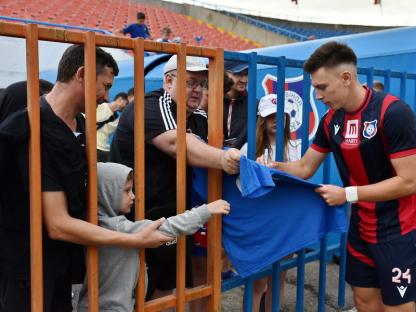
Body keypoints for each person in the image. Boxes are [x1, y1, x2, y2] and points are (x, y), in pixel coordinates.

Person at [0, 44, 172, 312]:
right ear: (81, 74)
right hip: (27, 265)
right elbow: (57, 223)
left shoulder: (80, 123)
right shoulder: (30, 127)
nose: (106, 96)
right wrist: (134, 240)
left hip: (63, 263)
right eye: (104, 86)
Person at [260, 41, 416, 312]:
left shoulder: (393, 113)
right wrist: (271, 167)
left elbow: (409, 182)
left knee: (396, 306)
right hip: (362, 225)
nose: (318, 95)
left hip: (400, 228)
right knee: (363, 301)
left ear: (346, 78)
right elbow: (304, 168)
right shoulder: (330, 120)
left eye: (322, 87)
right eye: (315, 87)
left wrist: (347, 194)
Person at [111, 54, 240, 302]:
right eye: (191, 82)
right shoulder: (152, 104)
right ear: (169, 81)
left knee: (166, 287)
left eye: (202, 85)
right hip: (136, 215)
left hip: (173, 213)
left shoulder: (199, 117)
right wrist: (223, 159)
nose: (198, 90)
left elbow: (213, 148)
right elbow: (178, 143)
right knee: (135, 290)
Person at [77, 162, 230, 312]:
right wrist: (206, 211)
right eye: (127, 190)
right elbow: (167, 227)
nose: (133, 196)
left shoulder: (94, 224)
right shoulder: (117, 227)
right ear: (107, 192)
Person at [240, 94, 301, 312]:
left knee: (279, 277)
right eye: (270, 116)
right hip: (260, 221)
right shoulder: (248, 147)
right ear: (262, 120)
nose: (276, 120)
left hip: (285, 221)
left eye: (280, 115)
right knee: (257, 280)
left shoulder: (295, 146)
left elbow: (303, 180)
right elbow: (238, 183)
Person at [97, 92, 129, 162]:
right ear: (120, 100)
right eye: (127, 104)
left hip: (105, 150)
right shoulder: (100, 105)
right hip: (93, 147)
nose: (127, 107)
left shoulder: (118, 118)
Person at [224, 60, 249, 149]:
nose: (244, 80)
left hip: (242, 159)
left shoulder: (254, 105)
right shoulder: (212, 100)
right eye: (238, 74)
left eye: (246, 74)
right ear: (225, 74)